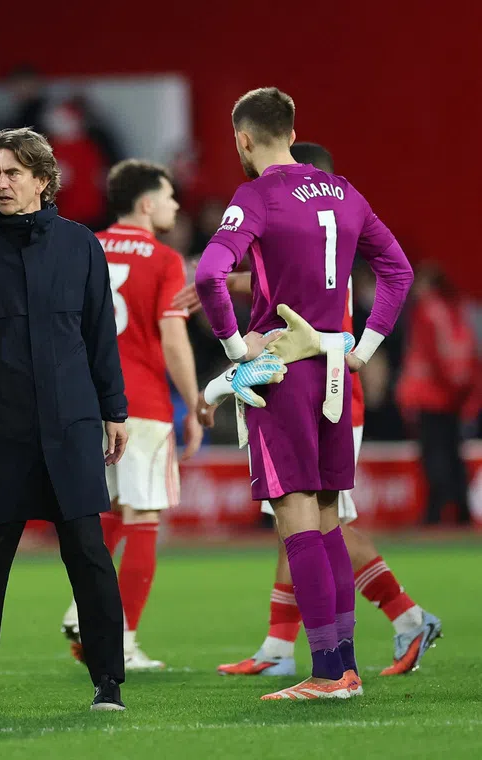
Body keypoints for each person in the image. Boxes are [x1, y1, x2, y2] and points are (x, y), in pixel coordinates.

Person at [174, 142, 442, 678]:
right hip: (331, 382)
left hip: (321, 386)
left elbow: (299, 292)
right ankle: (280, 646)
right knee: (294, 518)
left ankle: (404, 615)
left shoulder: (306, 225)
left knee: (321, 524)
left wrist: (226, 294)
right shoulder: (334, 226)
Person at [0, 127, 128, 712]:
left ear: (43, 179)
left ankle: (108, 683)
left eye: (12, 172)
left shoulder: (81, 246)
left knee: (88, 554)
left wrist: (113, 408)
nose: (1, 182)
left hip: (70, 425)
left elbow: (99, 334)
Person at [60, 159, 201, 671]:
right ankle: (122, 641)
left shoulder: (81, 246)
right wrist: (195, 402)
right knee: (143, 517)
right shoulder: (164, 259)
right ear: (146, 204)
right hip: (140, 402)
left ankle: (83, 608)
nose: (176, 205)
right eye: (168, 197)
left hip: (83, 402)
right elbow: (173, 334)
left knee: (110, 510)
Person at [396, 262, 478, 526]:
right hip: (452, 398)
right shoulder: (455, 310)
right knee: (453, 454)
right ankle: (461, 512)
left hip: (430, 397)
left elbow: (434, 357)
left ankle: (435, 514)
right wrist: (462, 392)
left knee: (435, 457)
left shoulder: (427, 311)